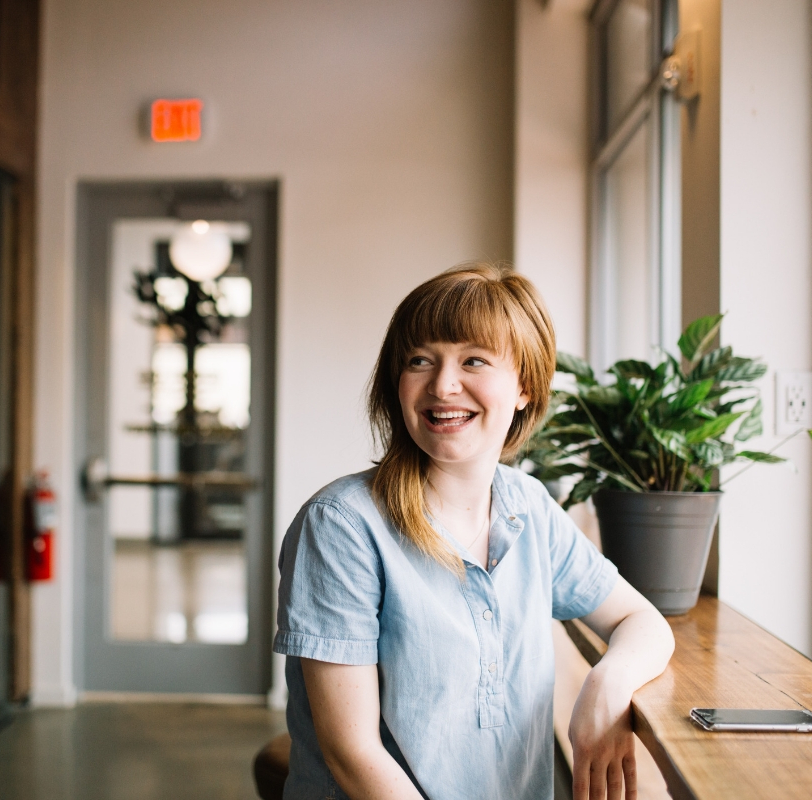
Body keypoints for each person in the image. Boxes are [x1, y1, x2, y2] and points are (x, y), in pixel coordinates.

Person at [274, 263, 674, 800]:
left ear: (525, 388)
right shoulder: (341, 524)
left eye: (473, 360)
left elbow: (641, 620)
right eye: (420, 360)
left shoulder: (528, 505)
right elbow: (353, 755)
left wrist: (607, 684)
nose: (442, 385)